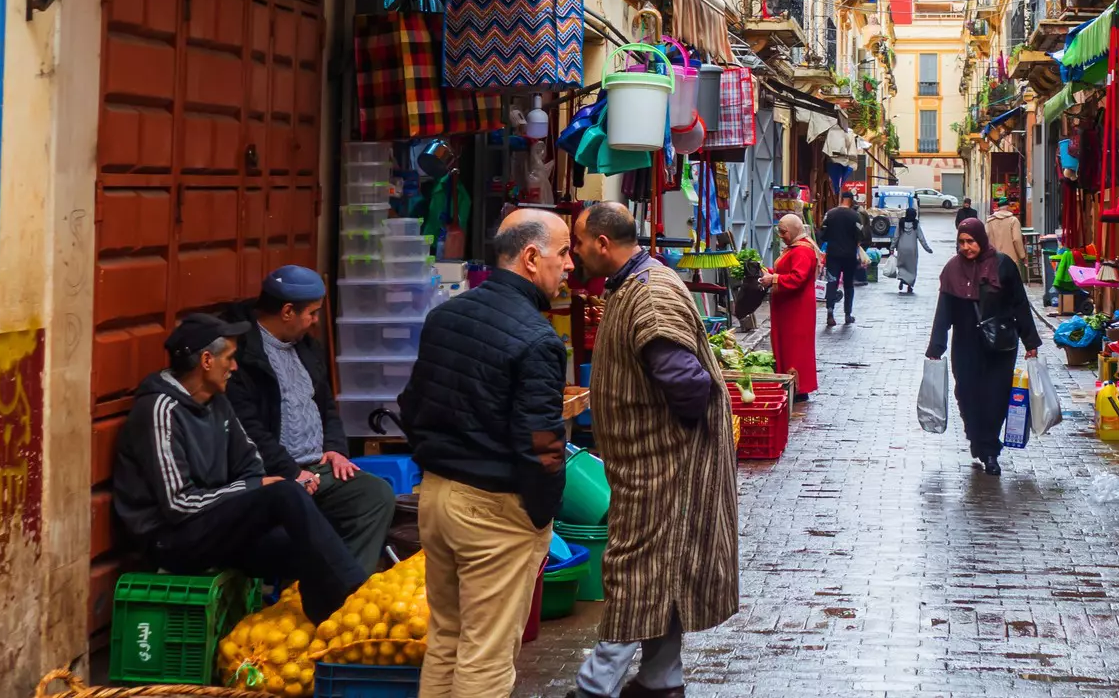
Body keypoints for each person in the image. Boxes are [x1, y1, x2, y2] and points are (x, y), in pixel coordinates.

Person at [567, 203, 740, 698]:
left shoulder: (649, 295)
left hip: (663, 465)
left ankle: (592, 688)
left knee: (636, 574)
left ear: (602, 243)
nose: (575, 253)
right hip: (653, 462)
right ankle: (662, 681)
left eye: (578, 243)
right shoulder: (637, 282)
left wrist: (673, 442)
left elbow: (688, 384)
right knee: (663, 572)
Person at [399, 208, 572, 698]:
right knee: (487, 657)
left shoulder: (445, 315)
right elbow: (541, 441)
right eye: (563, 253)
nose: (569, 265)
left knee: (448, 640)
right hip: (494, 509)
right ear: (532, 257)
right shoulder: (538, 339)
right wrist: (541, 511)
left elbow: (412, 404)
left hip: (436, 498)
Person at [111, 313, 369, 625]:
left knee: (305, 544)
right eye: (229, 358)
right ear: (206, 360)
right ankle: (354, 596)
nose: (234, 368)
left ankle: (328, 621)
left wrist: (254, 485)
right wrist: (253, 488)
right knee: (283, 493)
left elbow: (251, 464)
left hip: (213, 525)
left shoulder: (217, 401)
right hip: (170, 539)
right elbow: (179, 504)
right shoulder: (159, 410)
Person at [221, 265, 397, 570]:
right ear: (288, 311)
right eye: (312, 313)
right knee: (299, 517)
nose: (316, 322)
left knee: (375, 494)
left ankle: (348, 589)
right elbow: (248, 428)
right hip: (277, 473)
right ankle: (323, 587)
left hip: (318, 465)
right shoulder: (243, 356)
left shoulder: (306, 348)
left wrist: (336, 449)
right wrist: (290, 471)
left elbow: (327, 406)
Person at [924, 218, 1039, 475]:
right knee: (966, 396)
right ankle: (977, 440)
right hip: (965, 346)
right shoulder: (952, 270)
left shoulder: (1002, 265)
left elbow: (1020, 304)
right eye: (961, 242)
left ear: (981, 240)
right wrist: (936, 347)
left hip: (1000, 346)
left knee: (995, 398)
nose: (966, 247)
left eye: (971, 241)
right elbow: (944, 312)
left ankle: (989, 451)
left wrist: (1030, 341)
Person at [761, 213, 820, 401]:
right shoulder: (795, 248)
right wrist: (769, 273)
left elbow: (797, 278)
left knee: (795, 347)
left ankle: (798, 388)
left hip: (796, 309)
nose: (781, 236)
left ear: (794, 230)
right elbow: (787, 272)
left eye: (784, 232)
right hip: (790, 307)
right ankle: (791, 384)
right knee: (789, 344)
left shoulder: (802, 251)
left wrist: (774, 279)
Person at [819, 192, 866, 328]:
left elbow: (823, 233)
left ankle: (830, 313)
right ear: (851, 201)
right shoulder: (855, 216)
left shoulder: (830, 214)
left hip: (833, 254)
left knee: (832, 282)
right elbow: (860, 234)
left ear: (841, 199)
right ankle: (847, 314)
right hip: (849, 256)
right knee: (848, 285)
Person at [892, 198, 931, 293]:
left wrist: (892, 247)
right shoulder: (915, 224)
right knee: (912, 267)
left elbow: (896, 236)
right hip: (912, 249)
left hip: (901, 248)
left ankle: (902, 279)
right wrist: (927, 248)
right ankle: (909, 285)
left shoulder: (901, 223)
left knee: (902, 265)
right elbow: (921, 238)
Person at [984, 201, 1027, 280]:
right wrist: (1022, 256)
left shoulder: (989, 221)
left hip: (994, 258)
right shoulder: (1013, 220)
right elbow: (1017, 239)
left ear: (999, 208)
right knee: (1012, 284)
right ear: (1008, 207)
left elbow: (985, 239)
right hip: (1011, 259)